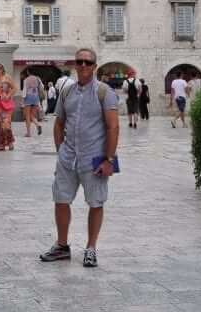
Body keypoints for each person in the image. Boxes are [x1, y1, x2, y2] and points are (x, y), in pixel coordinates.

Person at [39, 48, 119, 268]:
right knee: (61, 199)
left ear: (94, 66)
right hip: (69, 157)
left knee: (95, 202)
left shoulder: (104, 92)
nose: (83, 65)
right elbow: (58, 123)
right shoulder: (67, 92)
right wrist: (60, 150)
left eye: (87, 62)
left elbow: (113, 126)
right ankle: (62, 246)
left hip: (94, 157)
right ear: (75, 65)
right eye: (79, 62)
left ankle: (91, 248)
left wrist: (109, 159)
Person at [0, 63, 17, 151]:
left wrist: (8, 95)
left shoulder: (6, 78)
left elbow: (15, 88)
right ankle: (1, 144)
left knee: (6, 125)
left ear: (2, 70)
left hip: (6, 105)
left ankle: (10, 142)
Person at [22, 70, 43, 137]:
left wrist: (23, 100)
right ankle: (38, 125)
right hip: (35, 97)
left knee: (27, 116)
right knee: (32, 116)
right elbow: (42, 87)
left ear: (28, 72)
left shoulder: (26, 80)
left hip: (28, 97)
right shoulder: (38, 79)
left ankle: (28, 133)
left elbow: (25, 90)